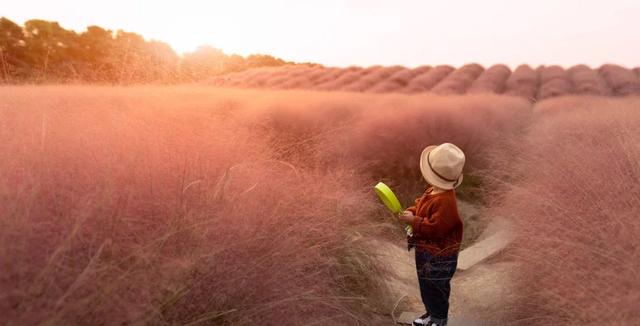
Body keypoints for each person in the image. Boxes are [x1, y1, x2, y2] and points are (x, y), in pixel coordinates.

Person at [396, 143, 465, 326]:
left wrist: (413, 221)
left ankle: (439, 320)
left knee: (437, 287)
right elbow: (421, 206)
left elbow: (435, 228)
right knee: (426, 285)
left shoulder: (446, 202)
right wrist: (411, 212)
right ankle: (430, 314)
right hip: (426, 252)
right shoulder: (433, 190)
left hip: (441, 255)